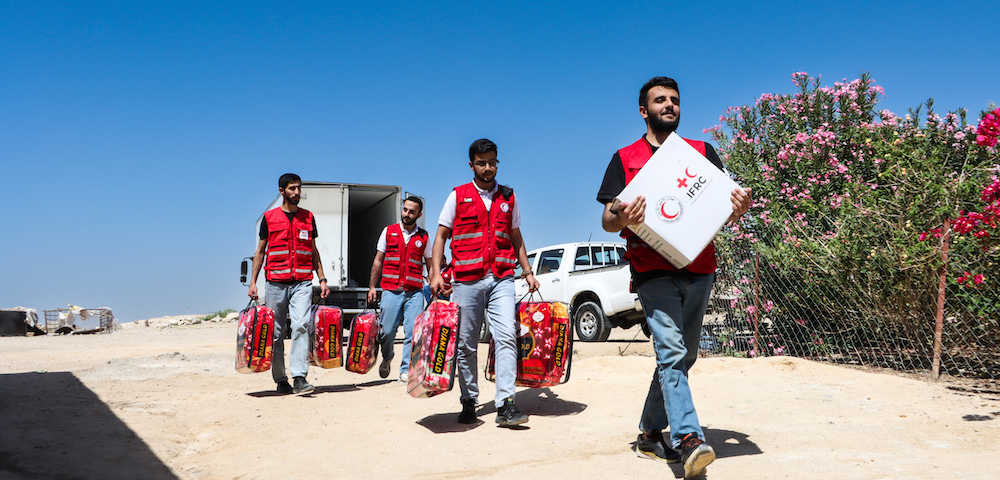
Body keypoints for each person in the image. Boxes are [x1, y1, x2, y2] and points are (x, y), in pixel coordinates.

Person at [596, 77, 751, 478]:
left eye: (675, 100)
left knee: (685, 355)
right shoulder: (624, 157)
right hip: (652, 271)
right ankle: (689, 439)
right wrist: (621, 216)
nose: (669, 105)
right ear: (644, 111)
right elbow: (607, 220)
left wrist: (739, 206)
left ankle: (650, 434)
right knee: (670, 351)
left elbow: (724, 204)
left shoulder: (701, 154)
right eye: (660, 100)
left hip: (700, 268)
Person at [429, 138, 540, 427]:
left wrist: (527, 271)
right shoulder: (458, 196)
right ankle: (469, 401)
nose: (488, 168)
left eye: (492, 162)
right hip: (466, 280)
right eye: (482, 163)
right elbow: (441, 236)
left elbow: (516, 237)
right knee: (466, 344)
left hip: (502, 278)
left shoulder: (508, 196)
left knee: (505, 337)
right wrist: (436, 273)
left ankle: (506, 404)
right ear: (471, 165)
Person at [249, 173, 331, 395]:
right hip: (275, 282)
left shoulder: (308, 217)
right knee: (276, 333)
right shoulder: (269, 218)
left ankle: (299, 377)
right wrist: (253, 283)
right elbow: (260, 252)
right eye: (292, 188)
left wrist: (322, 279)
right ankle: (281, 379)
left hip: (303, 281)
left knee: (301, 325)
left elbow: (313, 252)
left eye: (299, 188)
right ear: (281, 191)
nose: (297, 192)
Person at [367, 196, 432, 384]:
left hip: (415, 291)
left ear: (418, 215)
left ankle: (406, 370)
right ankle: (387, 357)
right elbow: (378, 261)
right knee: (387, 332)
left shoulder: (424, 236)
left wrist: (433, 280)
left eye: (411, 211)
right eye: (405, 210)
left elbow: (429, 264)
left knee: (413, 332)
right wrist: (372, 286)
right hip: (391, 289)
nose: (407, 214)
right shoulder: (388, 232)